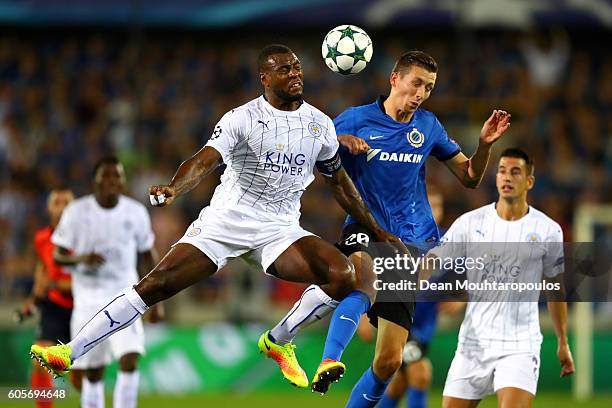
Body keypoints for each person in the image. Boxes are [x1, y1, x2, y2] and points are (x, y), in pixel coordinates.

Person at [30, 44, 398, 392]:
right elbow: (205, 159)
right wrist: (176, 187)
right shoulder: (243, 118)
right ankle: (69, 352)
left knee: (344, 276)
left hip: (280, 229)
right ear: (265, 78)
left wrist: (377, 228)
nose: (295, 73)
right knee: (155, 286)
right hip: (226, 221)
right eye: (284, 69)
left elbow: (341, 184)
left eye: (297, 67)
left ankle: (279, 341)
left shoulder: (320, 125)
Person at [258, 49, 511, 404]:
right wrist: (339, 141)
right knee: (362, 279)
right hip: (364, 227)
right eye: (416, 83)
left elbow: (469, 177)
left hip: (409, 243)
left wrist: (483, 146)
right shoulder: (354, 119)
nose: (421, 93)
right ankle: (330, 359)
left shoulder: (428, 126)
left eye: (429, 87)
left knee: (389, 361)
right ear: (395, 79)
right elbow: (310, 151)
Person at [438, 148, 574, 408]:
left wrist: (563, 342)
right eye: (502, 171)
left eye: (515, 172)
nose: (507, 177)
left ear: (529, 181)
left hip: (520, 345)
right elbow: (432, 264)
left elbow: (555, 290)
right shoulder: (470, 222)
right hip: (473, 344)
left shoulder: (547, 230)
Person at [36, 157, 162, 408]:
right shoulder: (77, 212)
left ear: (123, 181)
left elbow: (148, 254)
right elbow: (58, 256)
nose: (113, 181)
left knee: (130, 358)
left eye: (117, 176)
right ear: (95, 181)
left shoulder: (135, 212)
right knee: (93, 373)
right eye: (106, 175)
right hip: (88, 301)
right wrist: (82, 258)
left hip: (126, 297)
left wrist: (157, 301)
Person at [377, 187, 464, 408]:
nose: (433, 211)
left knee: (397, 384)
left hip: (425, 325)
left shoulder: (448, 241)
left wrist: (462, 298)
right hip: (398, 320)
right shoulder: (400, 237)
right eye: (429, 206)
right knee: (421, 373)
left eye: (437, 206)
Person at [20, 187, 82, 408]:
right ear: (48, 208)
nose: (63, 207)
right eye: (57, 202)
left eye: (67, 202)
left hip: (82, 309)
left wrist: (55, 284)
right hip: (54, 307)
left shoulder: (85, 237)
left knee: (80, 378)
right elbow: (43, 269)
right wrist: (33, 299)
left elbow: (88, 279)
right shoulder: (42, 238)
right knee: (40, 359)